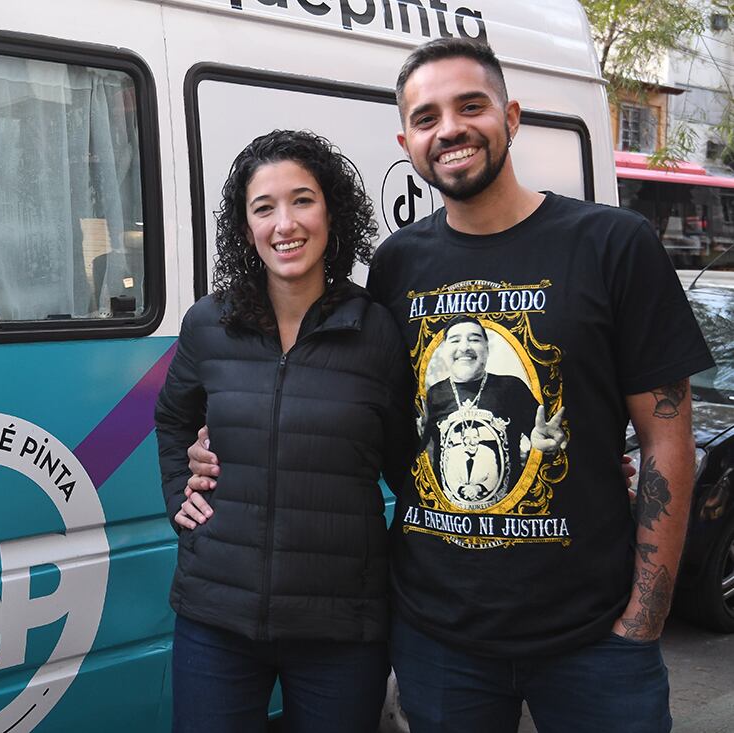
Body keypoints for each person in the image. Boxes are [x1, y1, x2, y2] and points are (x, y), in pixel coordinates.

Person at [185, 39, 713, 733]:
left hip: (591, 638)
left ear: (511, 116)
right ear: (408, 141)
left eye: (471, 106)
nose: (451, 129)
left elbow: (668, 438)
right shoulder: (401, 263)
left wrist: (646, 614)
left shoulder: (612, 243)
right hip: (439, 637)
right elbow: (368, 418)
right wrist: (221, 449)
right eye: (427, 117)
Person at [154, 129, 415, 733]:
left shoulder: (378, 332)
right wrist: (178, 495)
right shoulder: (208, 324)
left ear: (332, 212)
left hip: (341, 627)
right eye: (263, 208)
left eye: (302, 200)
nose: (284, 224)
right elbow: (172, 417)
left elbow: (412, 466)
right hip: (216, 616)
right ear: (246, 230)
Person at [421, 314, 565, 510]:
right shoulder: (434, 393)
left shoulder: (511, 387)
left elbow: (543, 436)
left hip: (507, 512)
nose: (464, 347)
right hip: (450, 515)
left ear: (486, 349)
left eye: (474, 339)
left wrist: (543, 443)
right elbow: (422, 449)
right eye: (455, 340)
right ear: (445, 350)